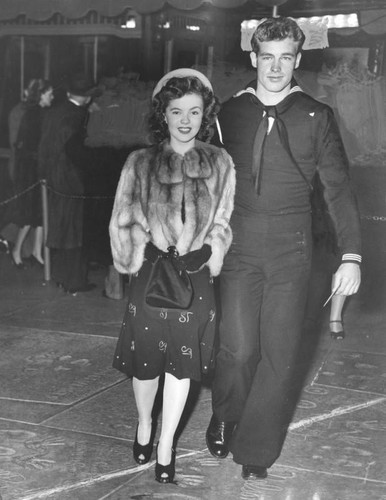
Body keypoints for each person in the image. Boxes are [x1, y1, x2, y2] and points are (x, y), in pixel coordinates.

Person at [206, 17, 361, 480]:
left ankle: (257, 446)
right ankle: (227, 412)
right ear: (253, 59)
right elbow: (206, 184)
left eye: (286, 58)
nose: (276, 68)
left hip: (292, 248)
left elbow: (337, 190)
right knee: (236, 348)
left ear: (298, 59)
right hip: (238, 245)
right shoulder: (226, 114)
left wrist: (351, 254)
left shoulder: (317, 115)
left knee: (279, 351)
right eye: (267, 57)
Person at [109, 68, 235, 484]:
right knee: (146, 366)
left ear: (205, 115)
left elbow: (223, 220)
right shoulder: (140, 163)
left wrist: (209, 249)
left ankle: (166, 445)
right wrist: (140, 252)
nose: (185, 120)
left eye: (195, 111)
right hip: (151, 275)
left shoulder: (220, 163)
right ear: (162, 114)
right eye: (177, 110)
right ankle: (145, 422)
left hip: (196, 277)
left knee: (183, 365)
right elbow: (123, 221)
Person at [38, 73, 97, 294]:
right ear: (88, 98)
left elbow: (43, 146)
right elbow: (79, 153)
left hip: (53, 178)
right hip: (74, 180)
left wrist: (43, 174)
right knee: (75, 231)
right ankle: (75, 281)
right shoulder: (80, 116)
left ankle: (61, 277)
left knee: (61, 228)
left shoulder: (53, 112)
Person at [9, 79, 54, 268]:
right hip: (30, 170)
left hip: (34, 167)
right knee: (30, 215)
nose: (52, 97)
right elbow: (25, 145)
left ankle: (37, 251)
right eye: (49, 93)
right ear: (41, 94)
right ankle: (17, 250)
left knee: (40, 215)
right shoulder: (36, 115)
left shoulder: (38, 113)